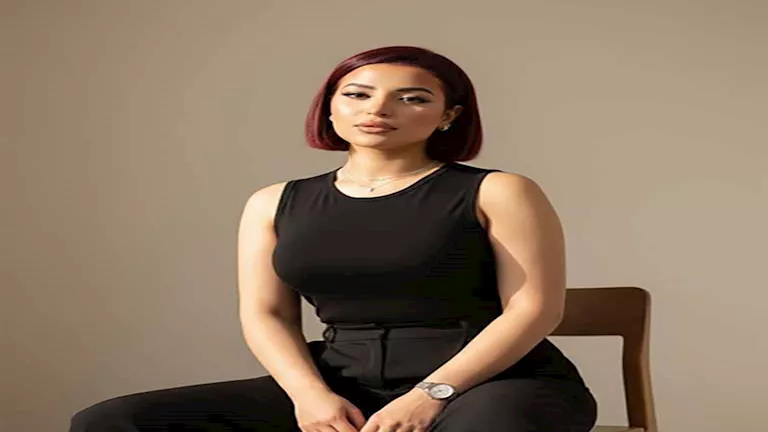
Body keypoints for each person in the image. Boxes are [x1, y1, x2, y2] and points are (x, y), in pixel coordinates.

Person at [70, 45, 597, 432]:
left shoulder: (498, 190)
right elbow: (266, 315)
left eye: (411, 98)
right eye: (357, 94)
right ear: (330, 107)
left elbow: (534, 309)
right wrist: (309, 396)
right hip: (340, 381)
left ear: (448, 116)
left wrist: (431, 394)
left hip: (493, 384)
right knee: (111, 422)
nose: (378, 109)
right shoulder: (272, 202)